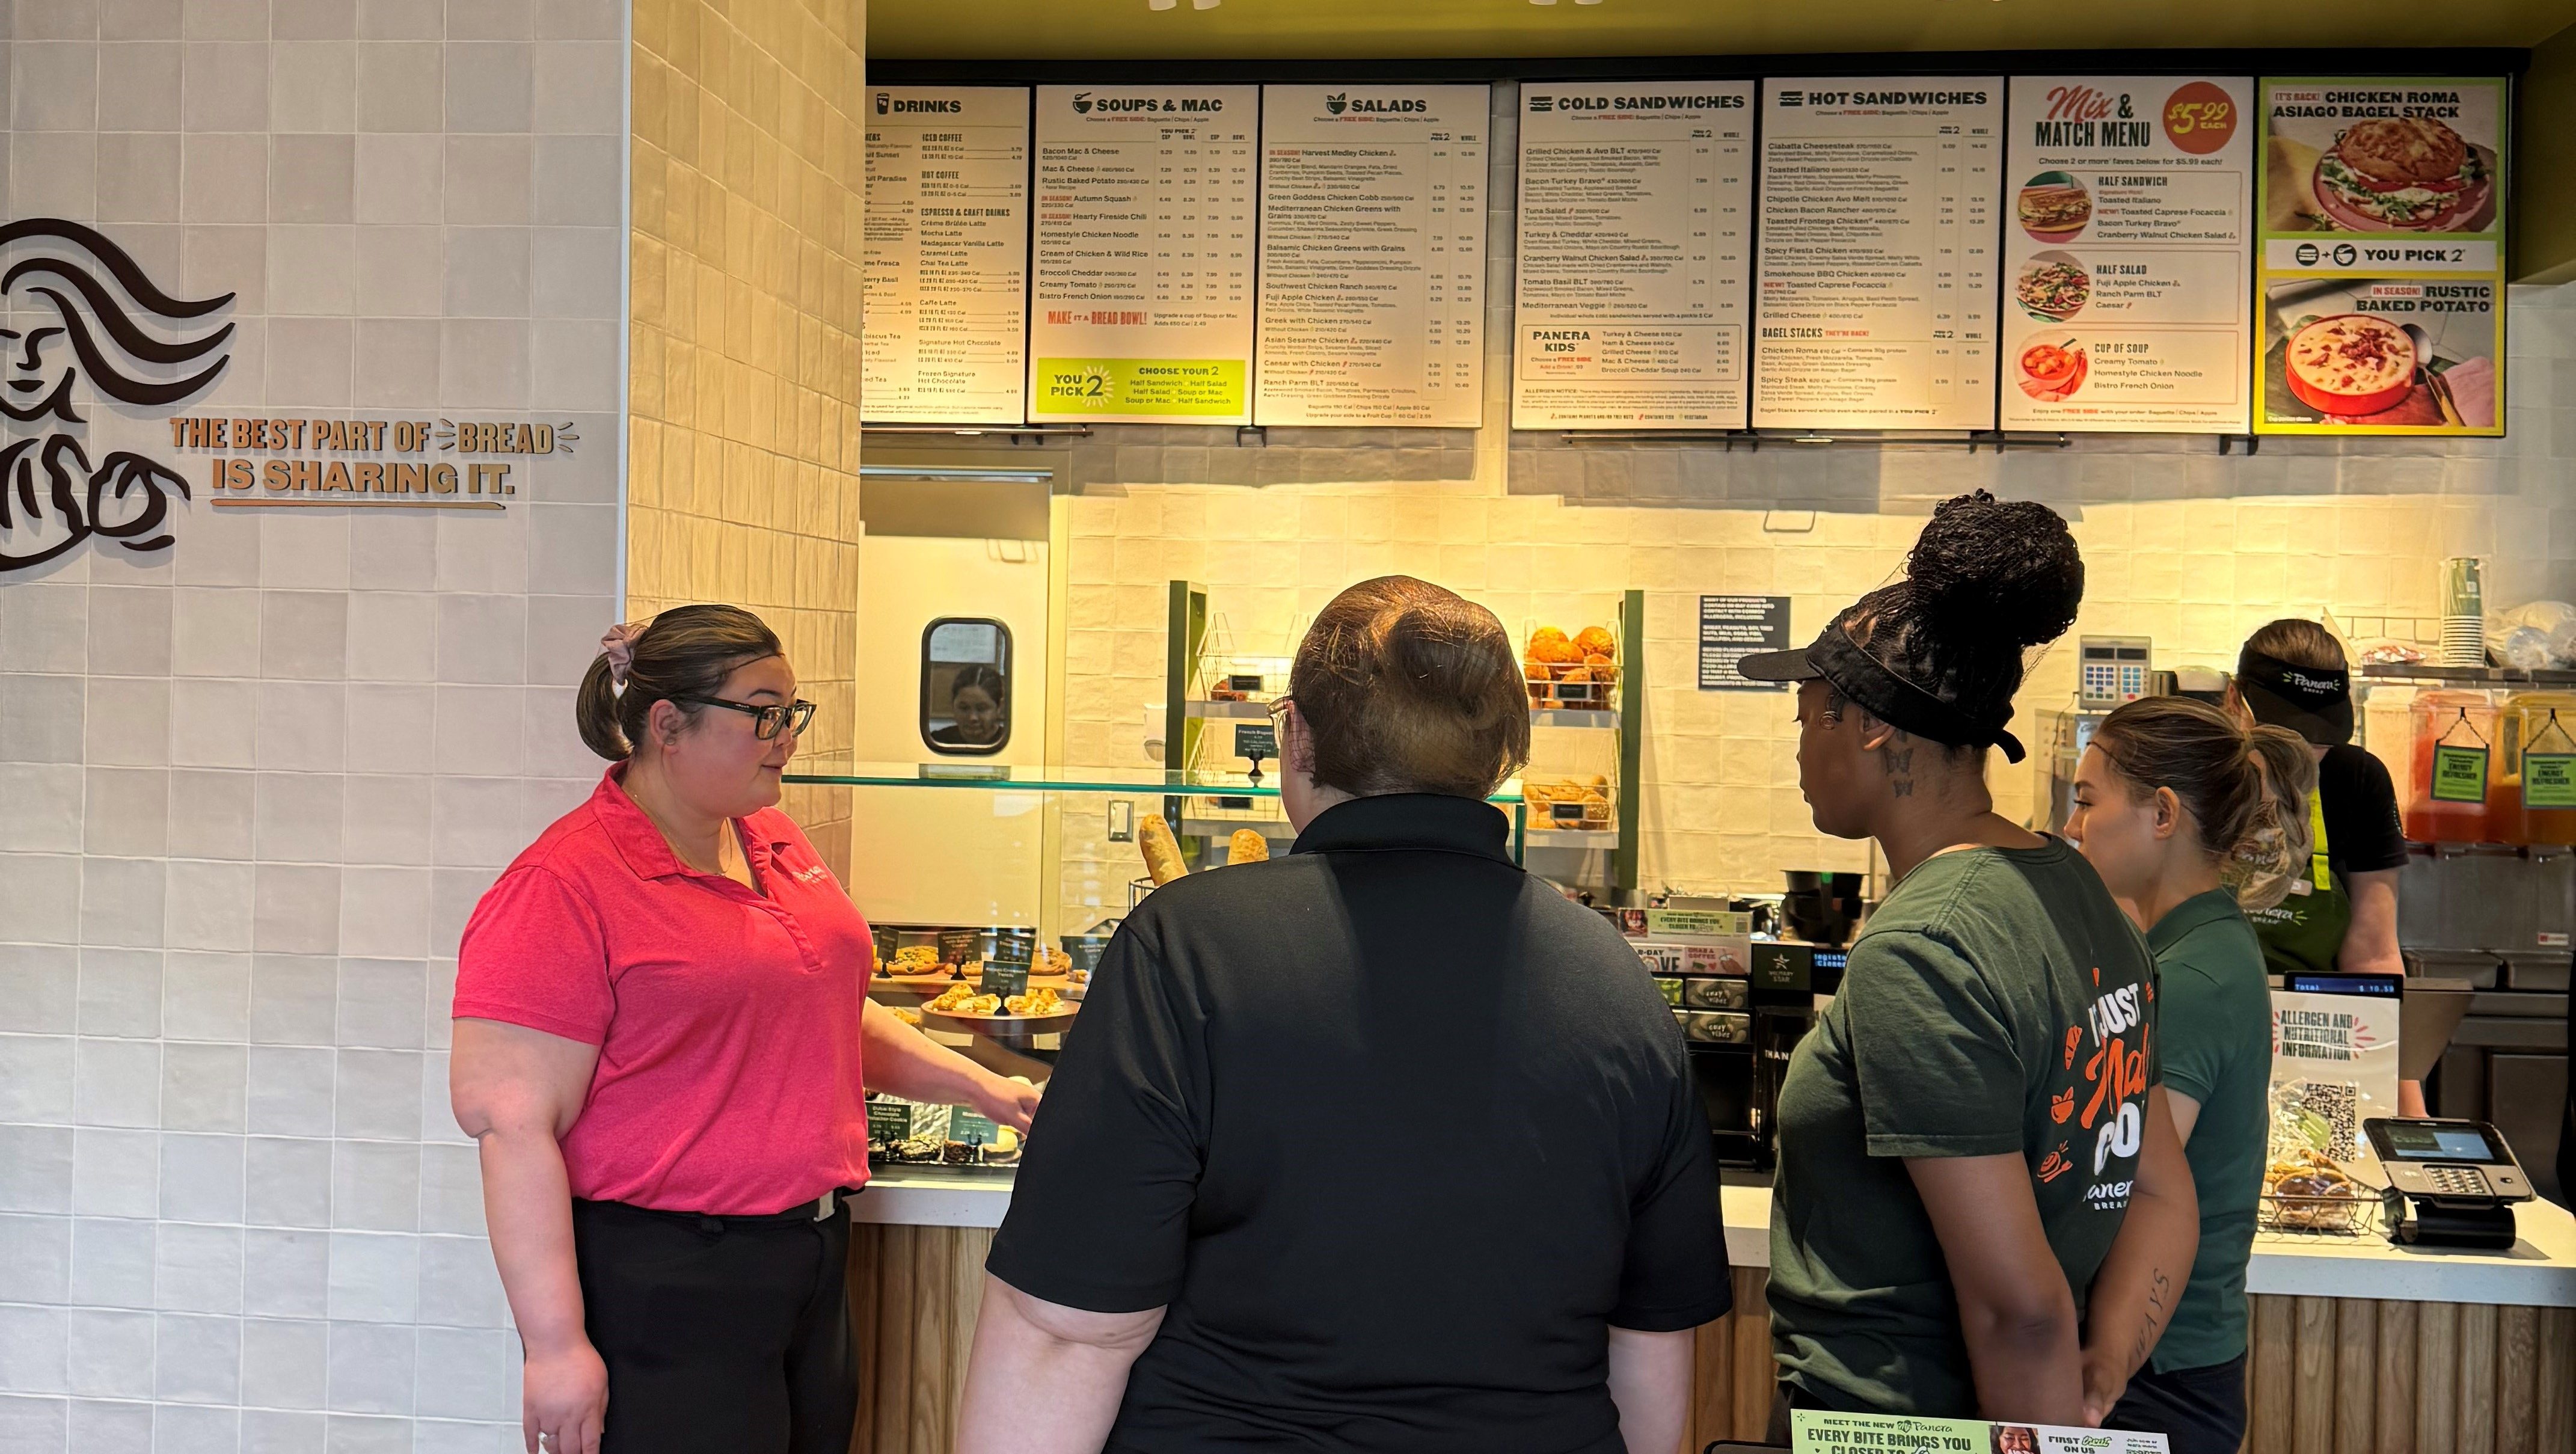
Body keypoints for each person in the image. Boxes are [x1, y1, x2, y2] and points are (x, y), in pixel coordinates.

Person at [956, 576, 1733, 1454]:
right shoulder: (1618, 980)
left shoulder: (1187, 948)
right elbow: (1650, 1345)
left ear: (1295, 735)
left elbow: (1068, 1330)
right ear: (1505, 754)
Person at [449, 605, 1043, 1454]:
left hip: (809, 1254)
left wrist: (986, 1090)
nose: (786, 737)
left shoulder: (768, 837)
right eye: (763, 713)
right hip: (668, 1279)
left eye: (791, 712)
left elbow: (823, 1007)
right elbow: (512, 1128)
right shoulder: (562, 884)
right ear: (667, 726)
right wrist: (555, 1346)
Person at [1738, 490, 2199, 1425]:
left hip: (1896, 1423)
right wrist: (2099, 1375)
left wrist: (2050, 1418)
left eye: (1808, 716)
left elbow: (2016, 1310)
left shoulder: (1923, 949)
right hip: (2043, 1404)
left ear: (1872, 726)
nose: (1799, 748)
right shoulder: (2082, 897)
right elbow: (2157, 1191)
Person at [2065, 696, 2319, 1454]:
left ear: (2164, 814)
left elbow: (2125, 1185)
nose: (2073, 827)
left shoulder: (2195, 978)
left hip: (2154, 1374)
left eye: (2088, 801)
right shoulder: (2193, 945)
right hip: (2168, 1364)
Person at [2225, 620, 2427, 1115]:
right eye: (2287, 734)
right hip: (2204, 1031)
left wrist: (2409, 1107)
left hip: (2321, 1041)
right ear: (2234, 701)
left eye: (2321, 736)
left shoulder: (2356, 779)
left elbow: (2374, 955)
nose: (2305, 753)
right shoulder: (2193, 771)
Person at [928, 663, 1008, 749]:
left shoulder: (1010, 744)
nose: (972, 718)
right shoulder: (937, 742)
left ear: (999, 707)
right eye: (964, 708)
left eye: (982, 709)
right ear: (953, 705)